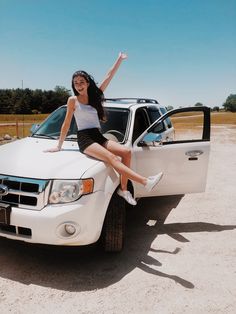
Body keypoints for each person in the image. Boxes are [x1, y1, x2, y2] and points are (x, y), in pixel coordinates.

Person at [46, 52, 163, 205]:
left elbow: (109, 76)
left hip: (97, 136)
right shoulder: (72, 100)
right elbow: (66, 123)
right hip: (85, 139)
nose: (79, 85)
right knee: (112, 158)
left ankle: (124, 190)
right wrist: (58, 146)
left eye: (82, 82)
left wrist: (119, 60)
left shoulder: (95, 96)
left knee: (126, 152)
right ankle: (145, 181)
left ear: (87, 83)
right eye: (76, 83)